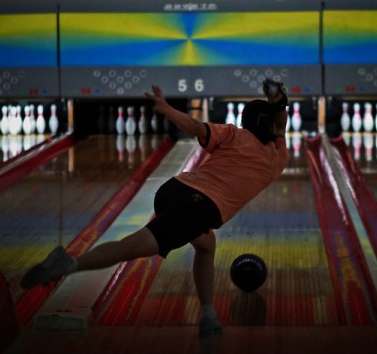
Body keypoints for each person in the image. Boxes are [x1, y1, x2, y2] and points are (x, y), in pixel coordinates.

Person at [21, 81, 290, 337]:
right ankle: (68, 264)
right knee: (131, 247)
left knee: (206, 245)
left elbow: (196, 127)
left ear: (244, 121)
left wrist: (166, 108)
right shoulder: (278, 158)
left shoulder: (234, 134)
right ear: (272, 129)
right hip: (198, 207)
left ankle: (209, 317)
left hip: (174, 189)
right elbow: (280, 126)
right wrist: (279, 103)